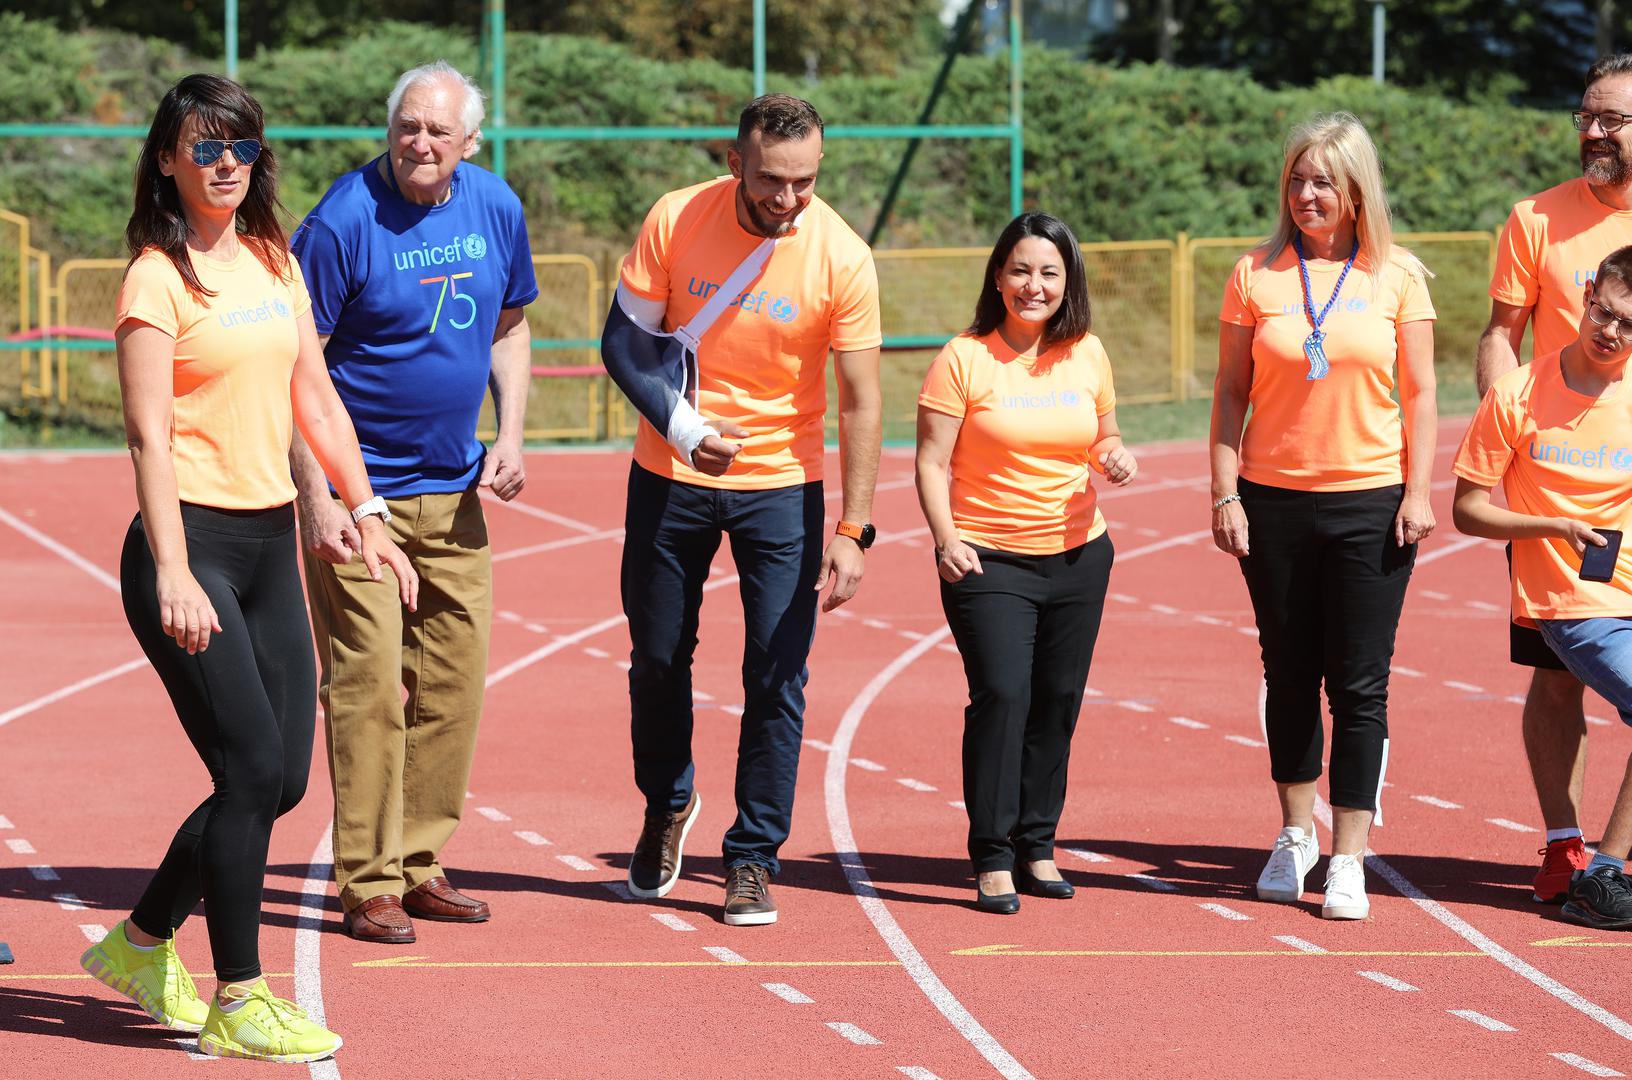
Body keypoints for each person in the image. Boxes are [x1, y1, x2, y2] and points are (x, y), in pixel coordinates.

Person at [79, 74, 417, 1062]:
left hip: (270, 545)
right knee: (250, 769)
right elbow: (147, 436)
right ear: (167, 160)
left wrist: (363, 508)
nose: (226, 163)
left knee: (283, 781)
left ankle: (142, 944)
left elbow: (317, 395)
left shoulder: (274, 259)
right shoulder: (155, 278)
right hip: (190, 550)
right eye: (205, 146)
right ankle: (240, 994)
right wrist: (174, 570)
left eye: (241, 147)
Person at [610, 94, 882, 926]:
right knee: (658, 658)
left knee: (777, 673)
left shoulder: (843, 255)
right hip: (671, 472)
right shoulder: (676, 218)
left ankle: (754, 855)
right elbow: (623, 343)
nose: (788, 199)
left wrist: (854, 528)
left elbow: (862, 401)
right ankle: (668, 801)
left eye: (805, 181)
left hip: (783, 488)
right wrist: (686, 430)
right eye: (770, 180)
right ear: (736, 162)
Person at [287, 60, 537, 944]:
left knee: (452, 688)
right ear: (389, 131)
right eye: (407, 127)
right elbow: (297, 371)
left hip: (457, 495)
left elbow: (510, 325)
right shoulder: (341, 221)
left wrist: (511, 436)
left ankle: (420, 860)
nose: (420, 142)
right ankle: (368, 881)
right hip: (363, 503)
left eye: (438, 130)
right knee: (367, 690)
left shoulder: (495, 206)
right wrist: (318, 498)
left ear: (471, 141)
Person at [1209, 112, 1437, 920]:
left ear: (1356, 191)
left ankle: (1348, 856)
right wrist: (1225, 492)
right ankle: (1294, 834)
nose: (1306, 195)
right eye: (1297, 180)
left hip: (1372, 503)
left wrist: (1418, 491)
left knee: (1360, 685)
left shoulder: (1398, 276)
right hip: (1271, 502)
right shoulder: (1255, 274)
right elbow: (1230, 391)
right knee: (1288, 672)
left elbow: (1421, 395)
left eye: (1323, 183)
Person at [914, 212, 1135, 915]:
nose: (1033, 285)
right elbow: (930, 460)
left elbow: (1102, 435)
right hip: (987, 560)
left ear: (1068, 281)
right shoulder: (963, 357)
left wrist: (1113, 456)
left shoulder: (1087, 353)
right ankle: (992, 854)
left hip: (1079, 556)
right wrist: (946, 538)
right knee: (1004, 695)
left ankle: (1037, 845)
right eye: (1020, 270)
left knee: (1057, 702)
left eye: (1048, 272)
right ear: (998, 276)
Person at [1475, 53, 1632, 903]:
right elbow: (1501, 335)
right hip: (1561, 487)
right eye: (1587, 117)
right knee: (1558, 670)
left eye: (1613, 120)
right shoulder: (1535, 218)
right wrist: (1507, 442)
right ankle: (1566, 844)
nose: (1594, 133)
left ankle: (1614, 858)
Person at [1453, 245, 1632, 931]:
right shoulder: (1518, 393)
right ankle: (1601, 876)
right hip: (1571, 603)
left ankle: (1604, 872)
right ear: (1586, 299)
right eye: (1603, 312)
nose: (1609, 331)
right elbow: (1468, 509)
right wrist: (1553, 525)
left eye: (1628, 324)